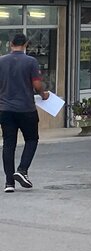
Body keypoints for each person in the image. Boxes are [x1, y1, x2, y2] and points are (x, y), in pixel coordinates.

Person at [0, 33, 50, 193]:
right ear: (26, 44)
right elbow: (36, 84)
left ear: (10, 44)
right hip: (26, 108)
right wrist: (44, 94)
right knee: (31, 139)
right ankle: (22, 170)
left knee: (8, 144)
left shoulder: (1, 61)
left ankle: (9, 183)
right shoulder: (31, 62)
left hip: (5, 109)